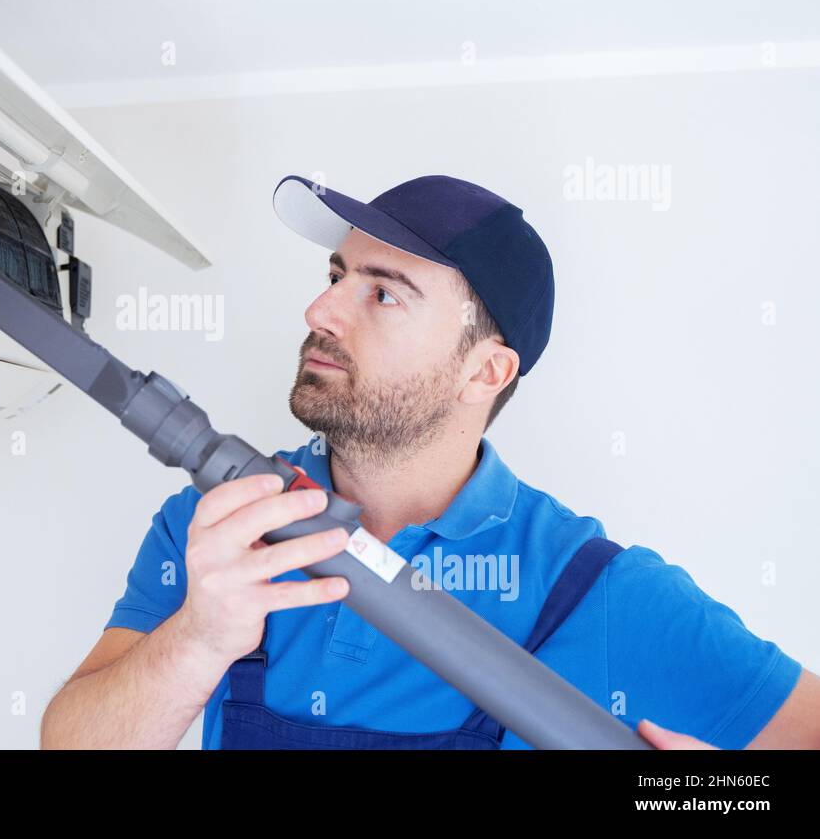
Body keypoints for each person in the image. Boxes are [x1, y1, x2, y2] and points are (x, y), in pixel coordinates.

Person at [41, 174, 818, 750]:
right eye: (337, 277)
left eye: (383, 294)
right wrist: (199, 640)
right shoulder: (221, 527)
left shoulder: (602, 592)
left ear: (485, 372)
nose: (320, 311)